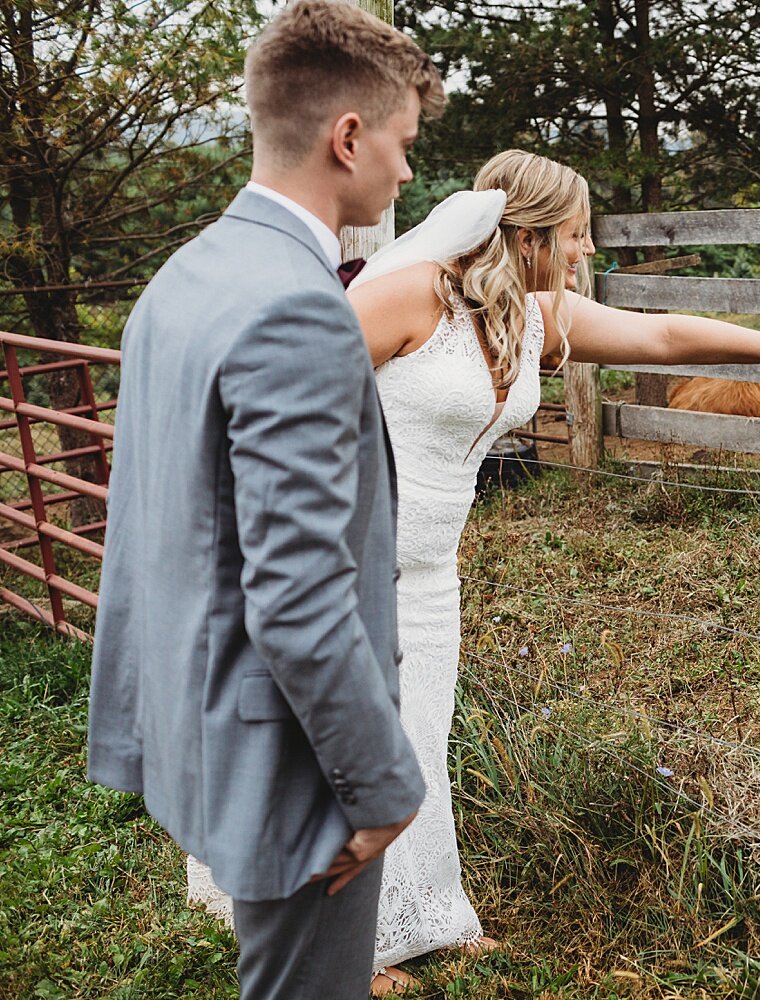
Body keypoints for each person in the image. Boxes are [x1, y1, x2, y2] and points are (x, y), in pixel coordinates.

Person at [320, 148, 760, 991]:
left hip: (431, 569)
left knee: (419, 741)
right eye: (575, 236)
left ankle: (424, 916)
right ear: (528, 233)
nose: (585, 254)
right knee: (343, 751)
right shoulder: (405, 294)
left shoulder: (530, 316)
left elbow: (661, 334)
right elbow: (294, 400)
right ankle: (335, 944)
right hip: (347, 562)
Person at [88, 3, 445, 997]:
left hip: (201, 715)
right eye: (404, 146)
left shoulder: (185, 274)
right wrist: (382, 789)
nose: (407, 174)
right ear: (348, 137)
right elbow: (298, 595)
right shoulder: (300, 307)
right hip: (297, 759)